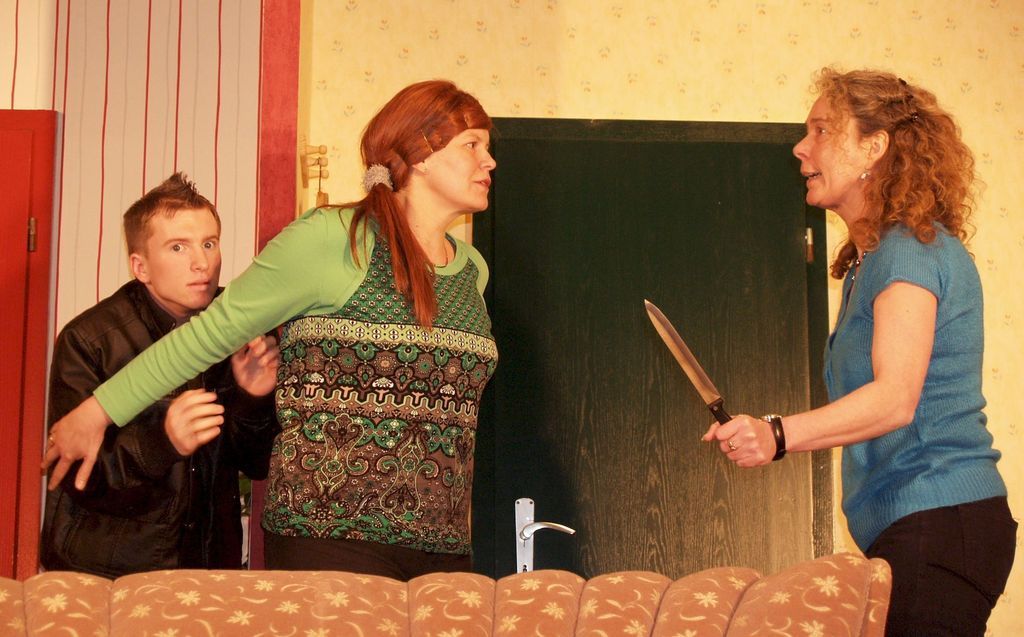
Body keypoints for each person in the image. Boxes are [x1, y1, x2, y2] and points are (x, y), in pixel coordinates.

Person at [43, 80, 499, 580]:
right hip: (333, 540)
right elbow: (206, 335)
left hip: (443, 546)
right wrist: (98, 411)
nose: (489, 161)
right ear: (421, 155)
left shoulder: (471, 270)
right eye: (471, 144)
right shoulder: (332, 238)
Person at [702, 68, 1016, 635]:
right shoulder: (871, 265)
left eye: (822, 130)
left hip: (939, 518)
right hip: (919, 525)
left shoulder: (908, 249)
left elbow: (894, 400)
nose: (801, 148)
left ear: (874, 147)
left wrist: (775, 434)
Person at [40, 173, 280, 577]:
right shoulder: (89, 340)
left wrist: (252, 397)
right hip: (107, 574)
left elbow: (257, 465)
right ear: (141, 267)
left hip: (206, 572)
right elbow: (79, 480)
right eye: (178, 247)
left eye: (209, 243)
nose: (201, 263)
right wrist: (161, 440)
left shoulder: (240, 327)